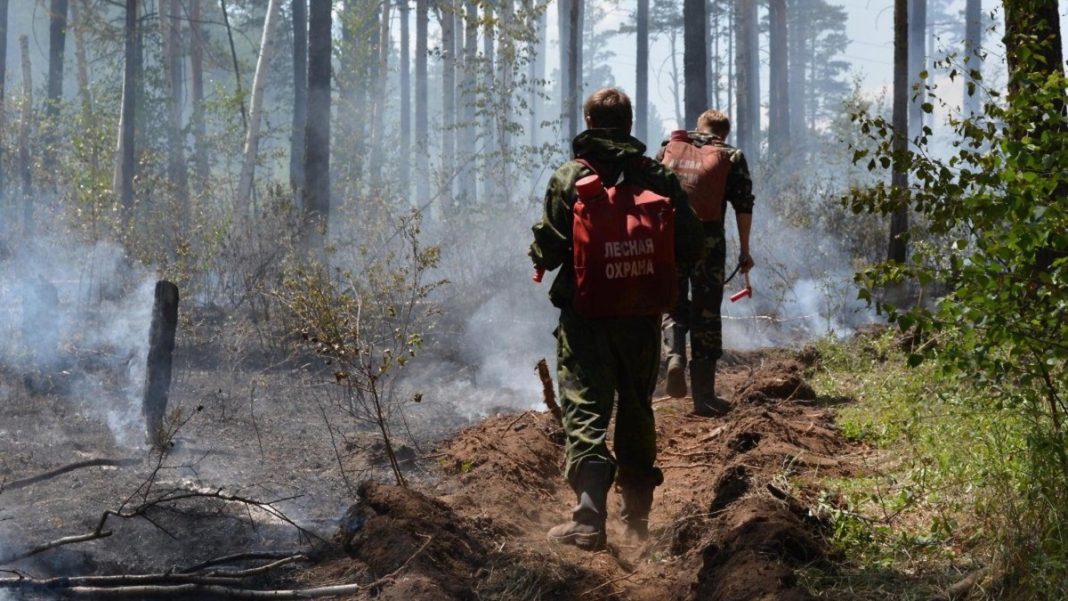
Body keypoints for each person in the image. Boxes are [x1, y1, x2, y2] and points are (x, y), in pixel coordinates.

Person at [529, 88, 703, 550]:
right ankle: (638, 520)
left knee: (586, 407)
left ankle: (589, 518)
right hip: (642, 314)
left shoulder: (570, 177)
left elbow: (546, 249)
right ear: (628, 124)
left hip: (586, 315)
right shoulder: (656, 175)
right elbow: (691, 243)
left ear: (589, 121)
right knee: (636, 407)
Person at [658, 110, 755, 416]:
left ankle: (673, 357)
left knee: (672, 304)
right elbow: (743, 205)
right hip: (708, 243)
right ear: (723, 134)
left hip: (669, 241)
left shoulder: (668, 148)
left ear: (699, 128)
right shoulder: (731, 156)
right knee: (707, 312)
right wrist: (745, 251)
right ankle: (704, 396)